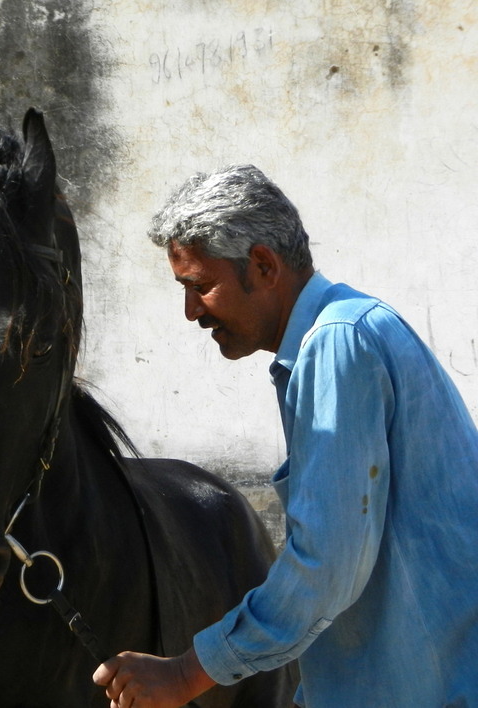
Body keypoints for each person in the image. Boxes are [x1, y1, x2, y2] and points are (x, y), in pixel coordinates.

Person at [93, 165, 478, 708]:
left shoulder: (337, 344)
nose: (190, 311)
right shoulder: (351, 328)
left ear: (264, 265)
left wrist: (186, 674)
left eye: (201, 286)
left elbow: (325, 566)